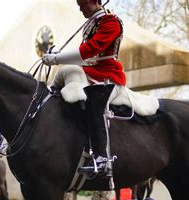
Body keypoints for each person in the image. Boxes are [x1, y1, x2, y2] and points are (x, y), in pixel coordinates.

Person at [42, 0, 127, 176]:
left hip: (107, 77)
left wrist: (57, 59)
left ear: (94, 1)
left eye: (82, 4)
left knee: (94, 101)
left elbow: (91, 50)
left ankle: (102, 158)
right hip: (90, 73)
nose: (80, 8)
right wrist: (59, 55)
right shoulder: (92, 23)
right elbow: (84, 57)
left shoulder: (110, 22)